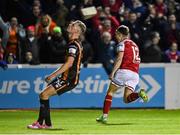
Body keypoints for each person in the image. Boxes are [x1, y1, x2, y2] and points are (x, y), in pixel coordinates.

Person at [27, 20, 86, 129]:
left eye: (73, 25)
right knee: (43, 95)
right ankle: (46, 124)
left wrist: (53, 75)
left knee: (44, 95)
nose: (70, 24)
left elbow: (69, 63)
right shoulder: (75, 43)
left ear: (77, 30)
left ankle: (41, 123)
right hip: (67, 77)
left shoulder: (73, 45)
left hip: (69, 79)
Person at [96, 25, 148, 124]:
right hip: (135, 74)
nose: (116, 36)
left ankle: (104, 116)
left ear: (120, 34)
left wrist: (113, 72)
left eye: (116, 34)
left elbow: (119, 58)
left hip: (124, 71)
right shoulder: (135, 44)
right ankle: (139, 94)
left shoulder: (121, 44)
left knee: (110, 92)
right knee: (126, 99)